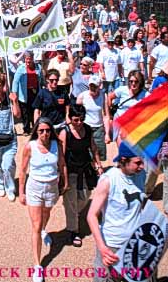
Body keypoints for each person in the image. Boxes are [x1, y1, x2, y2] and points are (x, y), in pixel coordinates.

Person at [87, 143, 146, 282]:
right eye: (138, 163)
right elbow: (91, 216)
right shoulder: (108, 180)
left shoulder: (141, 175)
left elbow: (141, 206)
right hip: (112, 245)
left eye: (143, 161)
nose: (142, 166)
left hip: (135, 243)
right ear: (124, 160)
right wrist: (102, 248)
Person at [19, 117, 68, 282]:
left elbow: (62, 164)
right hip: (34, 188)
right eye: (41, 131)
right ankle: (38, 265)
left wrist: (65, 181)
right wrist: (21, 192)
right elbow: (23, 170)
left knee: (46, 213)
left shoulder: (57, 145)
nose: (45, 134)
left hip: (52, 187)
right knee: (36, 225)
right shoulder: (30, 147)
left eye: (47, 130)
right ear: (36, 132)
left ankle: (44, 231)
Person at [59, 104, 103, 248]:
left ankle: (72, 213)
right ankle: (73, 231)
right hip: (70, 171)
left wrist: (99, 165)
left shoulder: (88, 130)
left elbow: (93, 148)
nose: (79, 123)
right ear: (70, 119)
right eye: (76, 120)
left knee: (85, 196)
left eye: (81, 119)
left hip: (85, 170)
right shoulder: (65, 133)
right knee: (71, 201)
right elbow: (61, 156)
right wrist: (61, 176)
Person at [108, 70, 148, 145]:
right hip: (120, 120)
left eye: (136, 81)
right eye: (131, 81)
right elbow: (110, 96)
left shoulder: (146, 94)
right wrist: (110, 114)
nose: (133, 83)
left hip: (134, 124)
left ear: (140, 82)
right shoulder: (122, 90)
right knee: (121, 148)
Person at [76, 75, 110, 160]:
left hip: (98, 128)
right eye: (91, 86)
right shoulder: (82, 96)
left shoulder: (103, 96)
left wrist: (107, 134)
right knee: (88, 154)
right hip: (86, 127)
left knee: (100, 154)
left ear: (99, 87)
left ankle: (99, 171)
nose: (92, 88)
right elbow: (76, 115)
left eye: (95, 86)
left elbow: (106, 116)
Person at [12, 51, 43, 135]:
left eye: (29, 59)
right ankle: (26, 129)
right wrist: (14, 92)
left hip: (35, 92)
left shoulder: (38, 67)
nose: (28, 62)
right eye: (26, 59)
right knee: (25, 112)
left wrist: (43, 87)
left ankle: (35, 128)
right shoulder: (21, 68)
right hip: (24, 93)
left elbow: (41, 79)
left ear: (33, 59)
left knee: (35, 110)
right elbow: (15, 81)